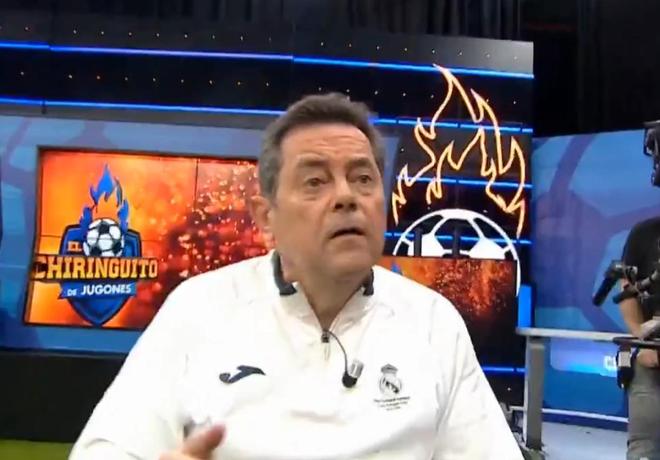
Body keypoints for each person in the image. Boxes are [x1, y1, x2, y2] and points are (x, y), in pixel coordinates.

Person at [70, 93, 522, 460]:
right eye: (315, 182)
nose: (346, 197)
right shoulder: (199, 309)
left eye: (363, 179)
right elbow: (106, 449)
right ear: (266, 218)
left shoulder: (432, 322)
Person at [619, 217, 660, 460]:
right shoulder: (644, 233)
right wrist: (641, 336)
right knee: (644, 449)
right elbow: (627, 288)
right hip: (650, 360)